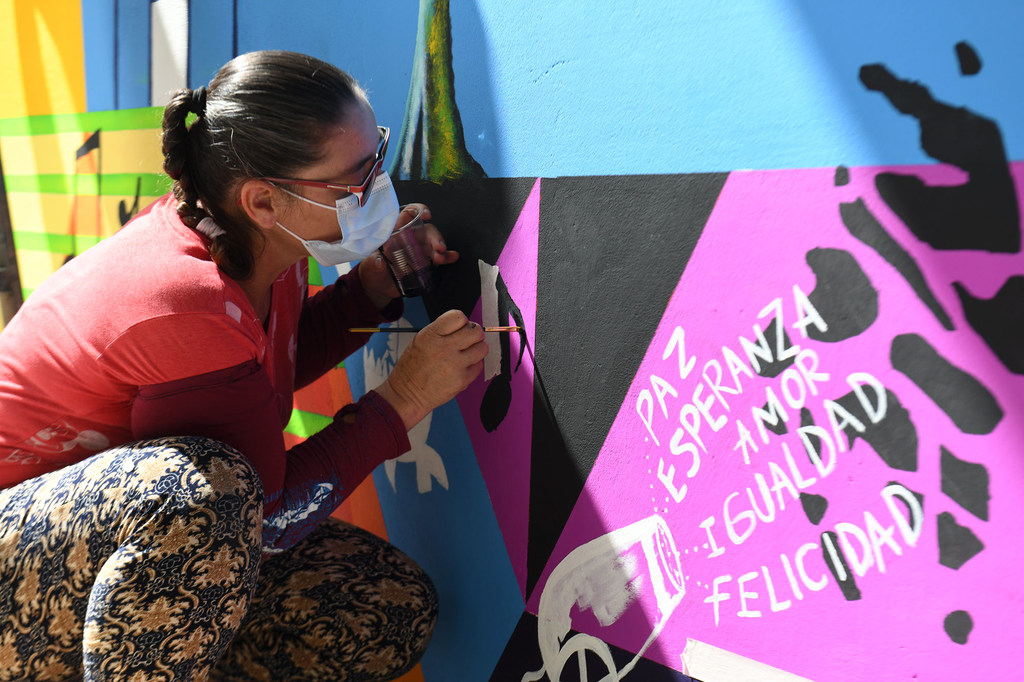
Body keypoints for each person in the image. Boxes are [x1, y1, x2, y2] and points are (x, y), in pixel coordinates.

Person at [0, 50, 488, 680]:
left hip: (112, 560)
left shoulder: (257, 246)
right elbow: (263, 518)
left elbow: (262, 371)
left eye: (379, 157)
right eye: (357, 179)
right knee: (204, 497)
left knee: (383, 608)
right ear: (263, 201)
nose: (379, 191)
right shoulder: (182, 299)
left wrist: (373, 283)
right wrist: (406, 398)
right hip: (20, 583)